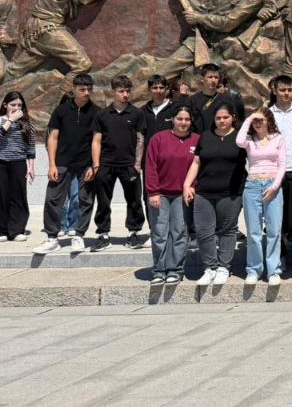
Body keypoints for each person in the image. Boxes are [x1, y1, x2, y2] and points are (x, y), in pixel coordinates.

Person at [33, 74, 99, 255]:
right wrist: (52, 164)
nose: (87, 93)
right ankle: (52, 238)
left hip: (85, 164)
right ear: (73, 89)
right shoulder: (61, 110)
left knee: (85, 201)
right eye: (82, 89)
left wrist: (94, 166)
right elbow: (52, 138)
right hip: (62, 163)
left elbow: (97, 140)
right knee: (52, 199)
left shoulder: (96, 112)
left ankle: (79, 235)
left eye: (89, 89)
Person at [184, 105, 247, 286]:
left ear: (233, 117)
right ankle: (210, 267)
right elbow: (196, 162)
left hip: (231, 192)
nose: (221, 121)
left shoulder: (241, 138)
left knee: (228, 230)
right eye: (218, 118)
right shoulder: (205, 136)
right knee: (203, 231)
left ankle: (223, 267)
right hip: (204, 191)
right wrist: (187, 184)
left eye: (225, 117)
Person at [89, 74, 147, 251]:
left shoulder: (137, 114)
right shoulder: (102, 114)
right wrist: (96, 165)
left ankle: (133, 233)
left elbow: (140, 140)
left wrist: (137, 165)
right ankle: (103, 234)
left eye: (128, 91)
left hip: (129, 165)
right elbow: (96, 141)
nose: (125, 94)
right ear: (113, 91)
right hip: (106, 164)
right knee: (103, 201)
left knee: (134, 200)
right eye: (121, 91)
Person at [143, 104, 198, 284]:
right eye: (179, 119)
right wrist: (153, 192)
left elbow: (199, 167)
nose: (183, 122)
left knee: (179, 232)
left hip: (182, 195)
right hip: (161, 194)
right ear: (172, 119)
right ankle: (159, 270)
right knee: (159, 233)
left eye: (187, 119)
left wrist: (192, 186)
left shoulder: (197, 140)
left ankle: (175, 269)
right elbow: (150, 166)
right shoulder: (158, 139)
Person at [235, 107, 288, 285]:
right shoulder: (249, 140)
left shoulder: (278, 138)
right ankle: (254, 269)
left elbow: (282, 164)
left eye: (261, 120)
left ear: (269, 121)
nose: (257, 123)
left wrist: (275, 186)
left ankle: (273, 270)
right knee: (254, 232)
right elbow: (238, 141)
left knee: (274, 231)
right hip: (253, 185)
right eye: (255, 121)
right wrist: (249, 118)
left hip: (273, 185)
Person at [267, 75, 292, 245]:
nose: (286, 93)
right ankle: (278, 251)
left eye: (290, 90)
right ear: (274, 90)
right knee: (274, 213)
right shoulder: (267, 114)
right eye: (282, 90)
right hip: (273, 170)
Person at [0, 92, 37, 242]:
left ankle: (16, 230)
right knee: (2, 196)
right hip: (1, 163)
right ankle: (2, 230)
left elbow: (31, 145)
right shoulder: (1, 120)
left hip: (19, 163)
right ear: (5, 105)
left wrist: (31, 166)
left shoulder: (25, 123)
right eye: (13, 104)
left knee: (18, 196)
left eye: (19, 105)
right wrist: (10, 120)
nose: (16, 108)